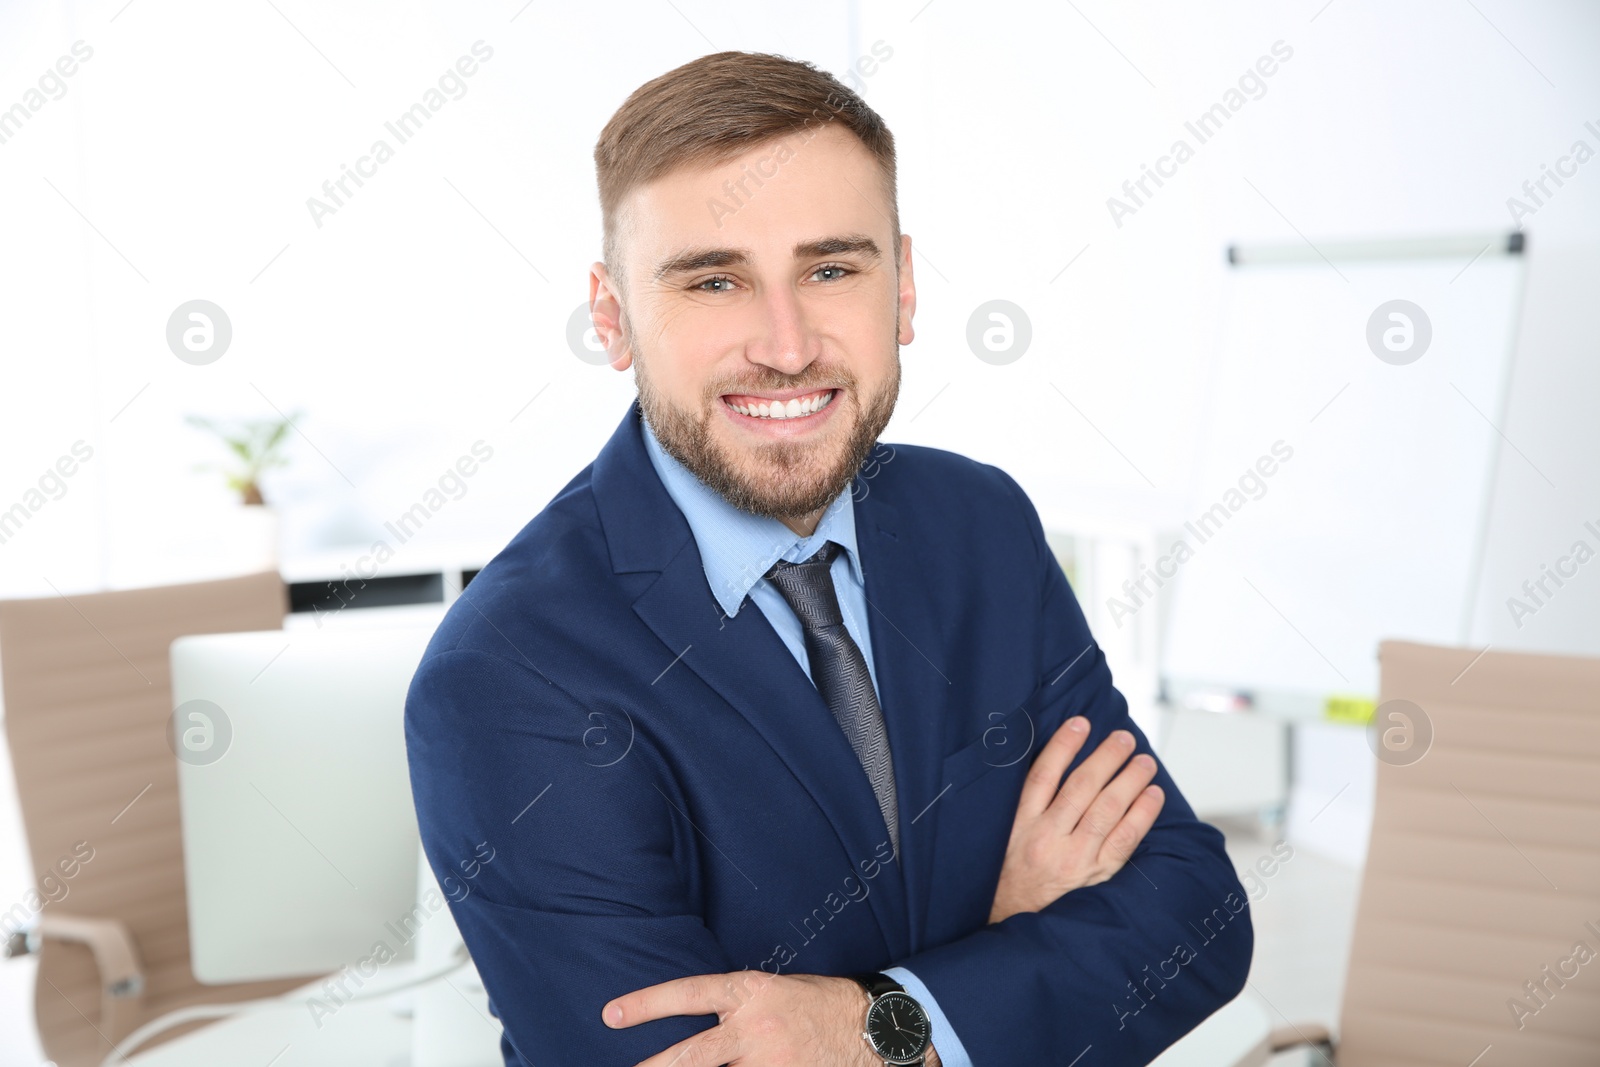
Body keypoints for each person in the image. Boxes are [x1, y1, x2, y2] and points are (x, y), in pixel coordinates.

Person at [404, 49, 1252, 1067]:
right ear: (612, 315)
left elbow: (1195, 918)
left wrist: (866, 1023)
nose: (788, 343)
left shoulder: (975, 522)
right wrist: (997, 943)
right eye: (714, 279)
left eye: (831, 269)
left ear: (902, 290)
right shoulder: (503, 675)